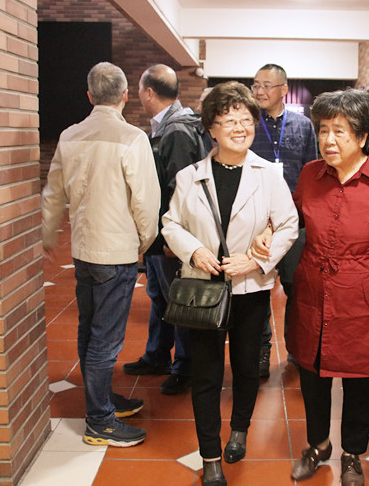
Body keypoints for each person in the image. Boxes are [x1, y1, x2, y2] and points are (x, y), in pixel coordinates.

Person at [161, 82, 299, 486]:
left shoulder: (269, 175)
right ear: (212, 129)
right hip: (203, 290)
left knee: (245, 367)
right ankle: (210, 457)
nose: (240, 128)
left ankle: (239, 430)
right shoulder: (190, 177)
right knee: (205, 374)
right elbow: (171, 223)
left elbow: (288, 224)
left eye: (246, 119)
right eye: (229, 120)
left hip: (250, 289)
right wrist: (193, 251)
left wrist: (255, 260)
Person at [286, 89, 369, 486]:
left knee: (360, 380)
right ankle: (318, 445)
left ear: (362, 136)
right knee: (312, 375)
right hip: (313, 293)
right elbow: (290, 219)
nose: (328, 140)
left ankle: (352, 454)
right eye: (323, 130)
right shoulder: (310, 175)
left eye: (339, 131)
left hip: (364, 298)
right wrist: (266, 231)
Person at [41, 62, 160, 446]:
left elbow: (53, 193)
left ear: (90, 96)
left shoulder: (69, 135)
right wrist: (144, 242)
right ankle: (100, 421)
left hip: (82, 249)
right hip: (116, 252)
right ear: (125, 95)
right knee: (106, 341)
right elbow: (147, 201)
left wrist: (47, 234)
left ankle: (102, 398)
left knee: (88, 330)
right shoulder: (132, 138)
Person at [123, 64, 211, 395]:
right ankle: (157, 355)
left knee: (178, 300)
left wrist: (176, 239)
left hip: (171, 236)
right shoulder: (176, 125)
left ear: (148, 93)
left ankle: (184, 367)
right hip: (162, 234)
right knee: (160, 298)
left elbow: (180, 190)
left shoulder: (176, 131)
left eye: (139, 90)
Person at [249, 63, 318, 377]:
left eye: (267, 85)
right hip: (255, 220)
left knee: (297, 288)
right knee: (256, 290)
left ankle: (296, 349)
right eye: (256, 85)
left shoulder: (303, 126)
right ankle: (260, 352)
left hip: (293, 222)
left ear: (284, 90)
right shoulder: (248, 123)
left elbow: (312, 171)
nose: (260, 91)